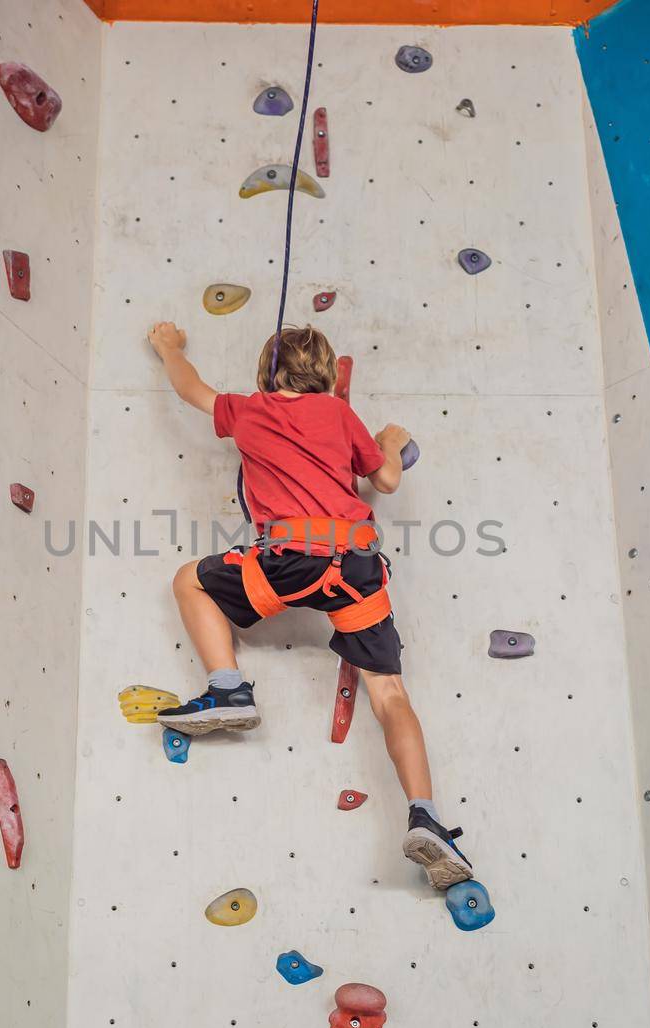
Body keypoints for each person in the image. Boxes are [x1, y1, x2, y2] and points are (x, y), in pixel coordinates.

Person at [144, 320, 474, 890]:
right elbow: (387, 481)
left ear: (267, 375)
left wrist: (168, 347)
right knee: (390, 694)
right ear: (322, 375)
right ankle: (427, 817)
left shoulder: (248, 410)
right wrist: (391, 440)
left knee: (188, 581)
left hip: (288, 562)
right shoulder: (341, 417)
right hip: (356, 564)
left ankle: (227, 687)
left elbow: (189, 388)